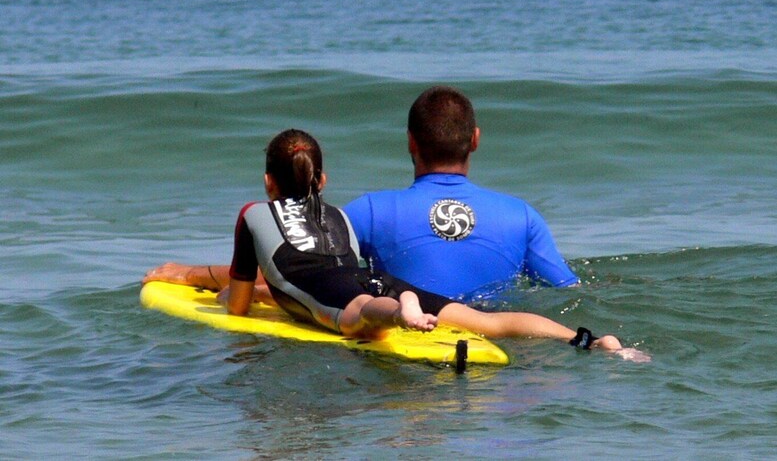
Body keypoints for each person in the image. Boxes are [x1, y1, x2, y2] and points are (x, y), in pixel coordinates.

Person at [144, 129, 648, 360]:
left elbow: (240, 304)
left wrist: (200, 286)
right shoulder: (338, 215)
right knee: (488, 323)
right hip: (372, 277)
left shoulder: (253, 215)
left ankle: (397, 311)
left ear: (268, 183)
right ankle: (589, 341)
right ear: (322, 181)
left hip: (357, 296)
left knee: (357, 317)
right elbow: (298, 280)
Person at [343, 85, 580, 300]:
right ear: (475, 139)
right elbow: (569, 292)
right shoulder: (521, 217)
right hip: (491, 340)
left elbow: (317, 273)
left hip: (409, 336)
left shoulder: (369, 212)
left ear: (411, 141)